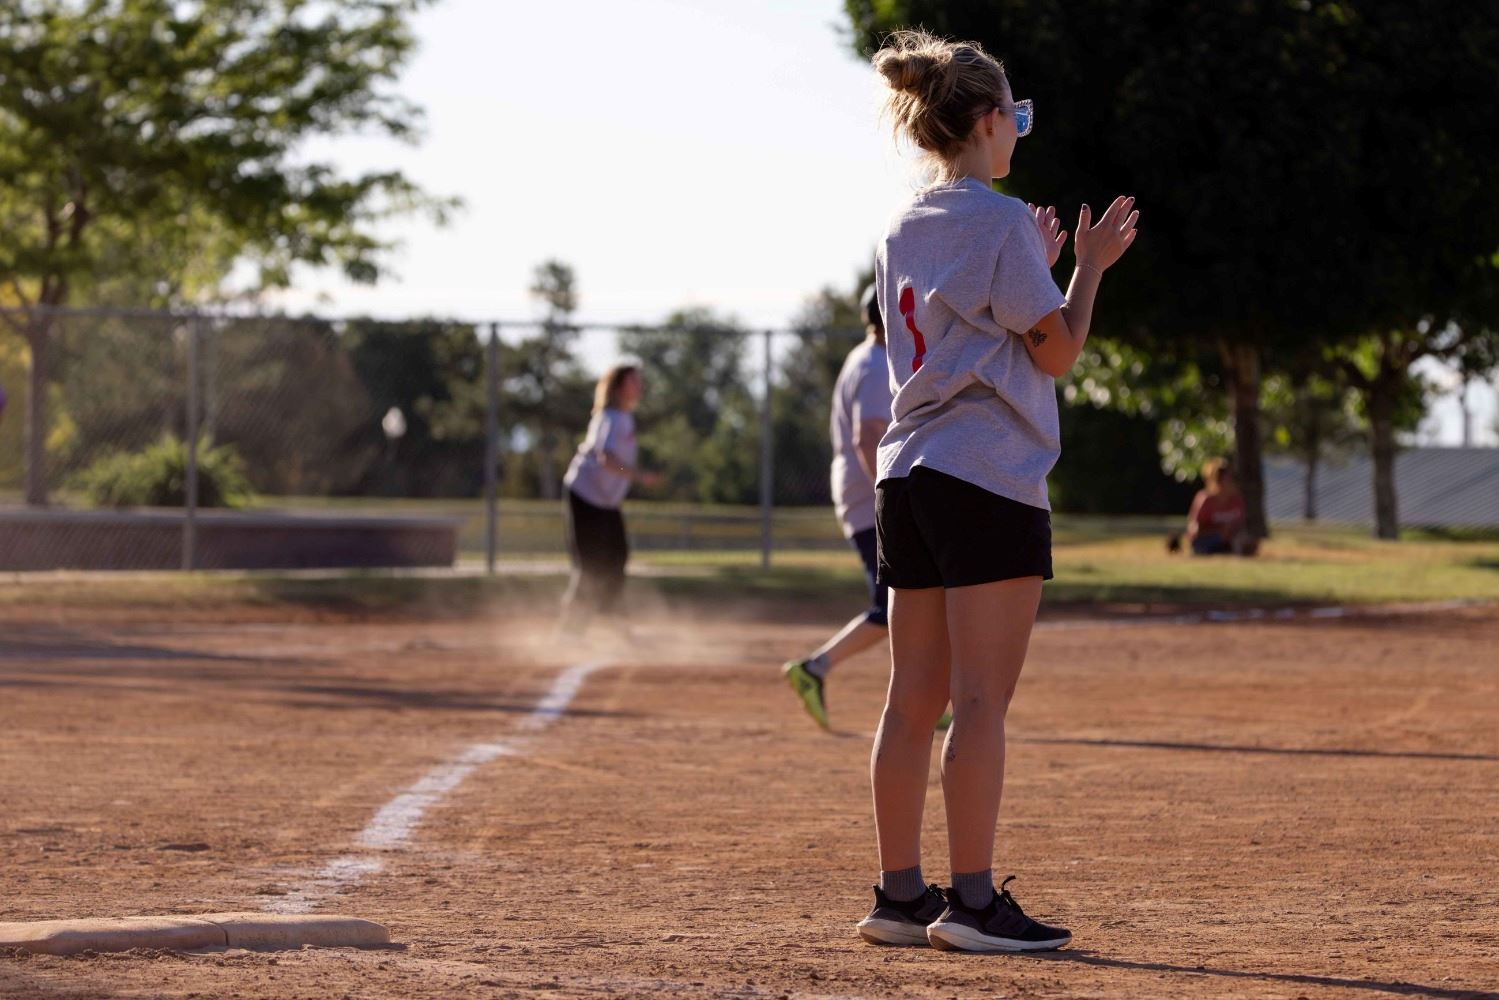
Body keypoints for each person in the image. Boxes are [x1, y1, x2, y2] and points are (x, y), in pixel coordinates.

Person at [855, 29, 1138, 953]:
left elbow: (975, 325)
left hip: (908, 475)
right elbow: (1053, 352)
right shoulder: (1002, 219)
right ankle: (971, 904)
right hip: (985, 475)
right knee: (980, 701)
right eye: (1013, 114)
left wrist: (1039, 267)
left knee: (911, 695)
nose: (1018, 129)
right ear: (983, 121)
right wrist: (1085, 268)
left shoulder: (903, 223)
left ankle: (899, 897)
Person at [784, 286, 954, 732]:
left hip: (859, 492)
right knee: (898, 599)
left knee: (918, 595)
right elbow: (867, 436)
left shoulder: (865, 357)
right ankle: (815, 668)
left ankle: (930, 695)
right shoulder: (878, 364)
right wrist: (890, 495)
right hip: (869, 494)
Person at [559, 365, 658, 633]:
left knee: (617, 556)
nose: (639, 386)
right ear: (618, 387)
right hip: (585, 495)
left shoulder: (624, 417)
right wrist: (636, 475)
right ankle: (571, 630)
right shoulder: (612, 417)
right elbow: (608, 460)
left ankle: (609, 614)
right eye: (633, 381)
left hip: (606, 501)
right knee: (591, 563)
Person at [1182, 458, 1256, 555]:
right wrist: (1219, 532)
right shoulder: (1205, 499)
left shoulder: (1236, 500)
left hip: (1229, 540)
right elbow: (1195, 528)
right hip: (1205, 541)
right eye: (1229, 479)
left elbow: (1241, 525)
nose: (1233, 483)